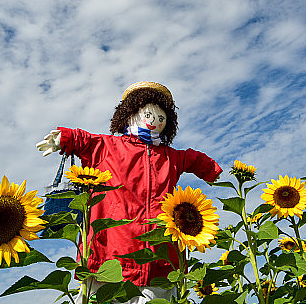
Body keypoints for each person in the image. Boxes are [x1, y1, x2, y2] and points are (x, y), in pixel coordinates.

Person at [37, 81, 222, 304]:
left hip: (158, 262)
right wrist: (63, 138)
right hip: (109, 259)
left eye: (161, 118)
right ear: (130, 114)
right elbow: (85, 140)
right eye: (148, 115)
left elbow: (192, 158)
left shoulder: (170, 157)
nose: (154, 122)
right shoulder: (108, 147)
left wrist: (211, 170)